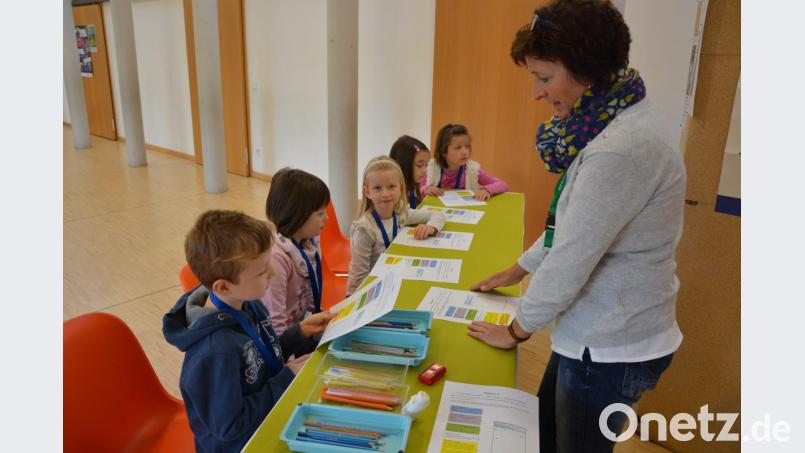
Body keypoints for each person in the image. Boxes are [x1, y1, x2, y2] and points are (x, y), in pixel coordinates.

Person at [466, 1, 686, 452]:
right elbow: (571, 226)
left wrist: (515, 331)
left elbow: (572, 257)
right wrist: (517, 270)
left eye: (545, 78)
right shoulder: (614, 119)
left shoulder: (618, 149)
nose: (537, 94)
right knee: (546, 435)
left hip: (607, 346)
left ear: (586, 70)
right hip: (595, 336)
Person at [163, 210, 334, 453]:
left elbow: (261, 358)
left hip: (270, 413)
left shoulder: (248, 302)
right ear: (223, 286)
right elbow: (231, 426)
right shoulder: (214, 352)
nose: (273, 274)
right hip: (242, 444)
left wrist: (299, 333)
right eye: (263, 271)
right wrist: (286, 377)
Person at [347, 156, 446, 294]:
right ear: (367, 192)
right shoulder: (365, 230)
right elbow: (358, 279)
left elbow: (437, 215)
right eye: (377, 188)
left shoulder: (400, 213)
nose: (386, 193)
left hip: (396, 277)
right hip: (374, 289)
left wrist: (431, 227)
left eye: (391, 186)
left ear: (401, 188)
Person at [263, 168, 330, 335]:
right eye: (320, 213)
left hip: (304, 328)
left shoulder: (308, 242)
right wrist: (288, 361)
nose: (327, 218)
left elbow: (310, 293)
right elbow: (274, 325)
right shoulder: (276, 260)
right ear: (297, 215)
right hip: (287, 344)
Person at [421, 123, 509, 200]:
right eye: (458, 148)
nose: (465, 152)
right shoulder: (432, 167)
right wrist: (426, 189)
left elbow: (503, 184)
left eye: (467, 146)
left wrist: (487, 190)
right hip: (436, 212)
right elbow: (418, 188)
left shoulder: (473, 170)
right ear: (443, 151)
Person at [389, 135, 432, 209]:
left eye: (426, 165)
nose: (425, 171)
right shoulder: (394, 194)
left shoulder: (413, 184)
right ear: (404, 165)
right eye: (419, 165)